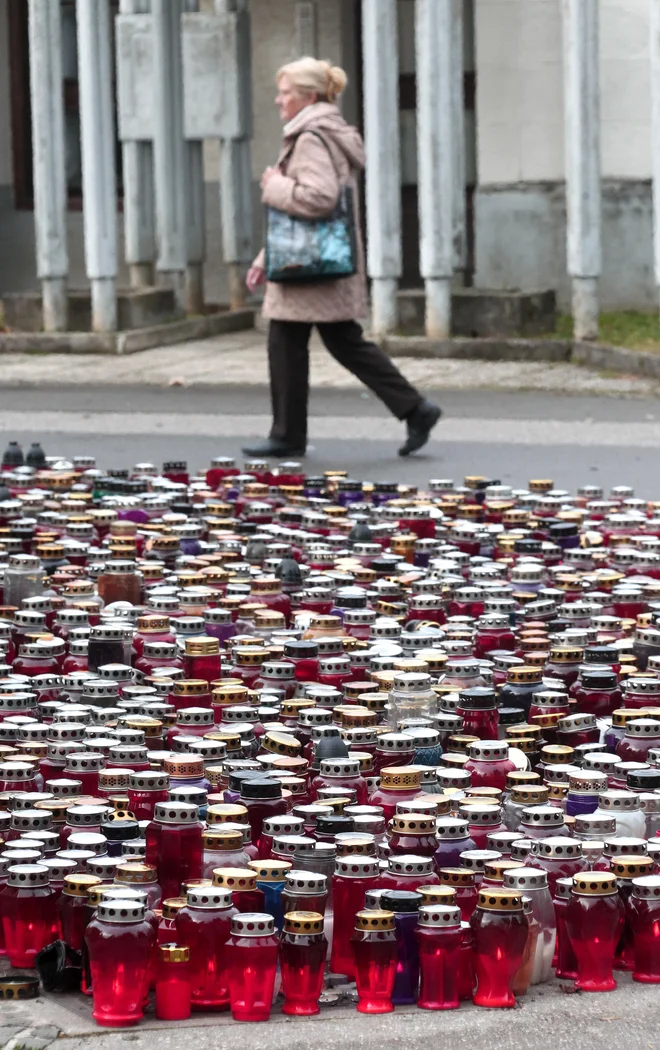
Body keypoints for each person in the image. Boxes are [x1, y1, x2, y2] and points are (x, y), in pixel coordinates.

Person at [242, 56, 442, 459]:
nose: (278, 101)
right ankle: (413, 409)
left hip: (310, 267)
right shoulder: (324, 132)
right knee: (337, 340)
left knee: (295, 342)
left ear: (308, 96)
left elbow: (318, 199)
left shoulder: (311, 137)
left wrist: (274, 185)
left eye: (285, 93)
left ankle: (288, 435)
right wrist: (268, 257)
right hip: (318, 261)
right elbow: (301, 218)